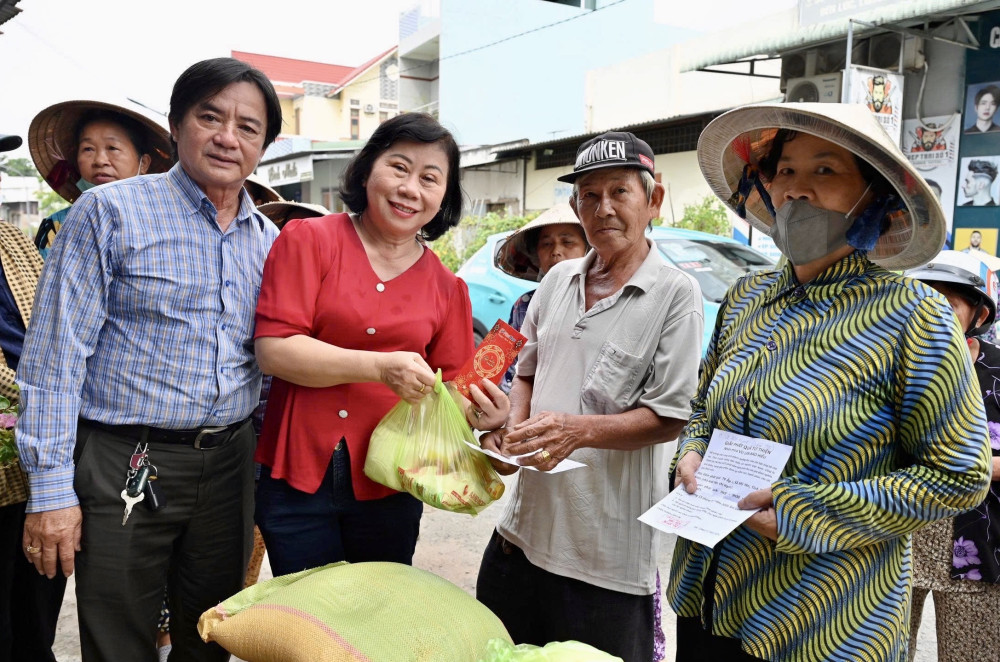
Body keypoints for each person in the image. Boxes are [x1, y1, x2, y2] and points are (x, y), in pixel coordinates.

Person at [668, 102, 992, 662]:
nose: (796, 188)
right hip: (710, 598)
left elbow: (959, 475)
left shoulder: (914, 316)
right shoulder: (746, 299)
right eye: (785, 170)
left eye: (824, 169)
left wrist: (805, 511)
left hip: (826, 623)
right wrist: (691, 452)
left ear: (875, 197)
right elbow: (703, 408)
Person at [15, 57, 282, 662]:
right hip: (124, 458)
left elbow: (270, 361)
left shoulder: (269, 241)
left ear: (263, 146)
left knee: (212, 632)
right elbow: (54, 358)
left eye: (248, 127)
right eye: (210, 117)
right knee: (118, 637)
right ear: (176, 124)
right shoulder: (108, 213)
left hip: (228, 461)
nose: (227, 137)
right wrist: (51, 492)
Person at [476, 131, 704, 662]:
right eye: (588, 196)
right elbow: (525, 374)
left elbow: (670, 415)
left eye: (619, 192)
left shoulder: (676, 293)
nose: (603, 209)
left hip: (603, 560)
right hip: (519, 537)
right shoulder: (556, 281)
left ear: (653, 200)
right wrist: (511, 434)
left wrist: (576, 430)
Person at [253, 112, 510, 576]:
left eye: (429, 178)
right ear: (367, 169)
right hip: (297, 471)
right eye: (399, 167)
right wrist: (380, 368)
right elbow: (275, 349)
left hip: (392, 480)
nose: (410, 188)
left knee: (377, 606)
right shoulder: (309, 240)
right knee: (304, 610)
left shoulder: (447, 288)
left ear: (444, 197)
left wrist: (484, 415)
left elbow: (453, 390)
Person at [902, 250, 1000, 662]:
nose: (931, 315)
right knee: (882, 651)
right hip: (895, 539)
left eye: (947, 304)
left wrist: (968, 464)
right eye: (920, 301)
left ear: (979, 314)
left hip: (976, 545)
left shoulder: (997, 371)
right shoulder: (887, 364)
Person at [0, 133, 63, 662]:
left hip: (35, 458)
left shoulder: (16, 241)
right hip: (17, 433)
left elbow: (53, 334)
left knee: (36, 613)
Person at [28, 100, 174, 257]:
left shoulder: (168, 224)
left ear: (143, 163)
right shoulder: (56, 226)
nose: (99, 160)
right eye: (88, 149)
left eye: (112, 148)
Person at [494, 202, 588, 393]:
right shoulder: (524, 305)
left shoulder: (599, 301)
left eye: (567, 242)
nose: (556, 251)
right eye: (546, 244)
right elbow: (502, 368)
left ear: (588, 250)